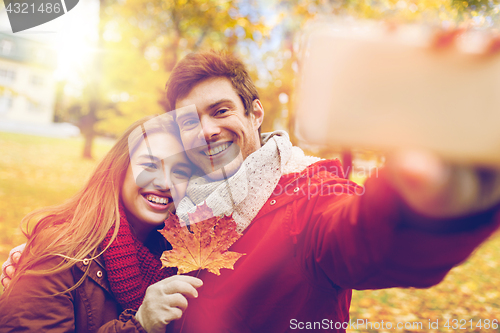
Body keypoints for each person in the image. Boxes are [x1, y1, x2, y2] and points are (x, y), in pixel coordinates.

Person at [4, 50, 500, 333]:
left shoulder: (310, 190)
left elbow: (363, 239)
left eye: (220, 111)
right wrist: (51, 250)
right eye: (189, 122)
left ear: (255, 114)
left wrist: (431, 202)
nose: (207, 132)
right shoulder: (183, 207)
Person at [0, 115, 203, 333]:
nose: (165, 183)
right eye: (150, 165)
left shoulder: (185, 259)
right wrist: (140, 325)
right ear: (120, 168)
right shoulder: (60, 254)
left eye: (180, 172)